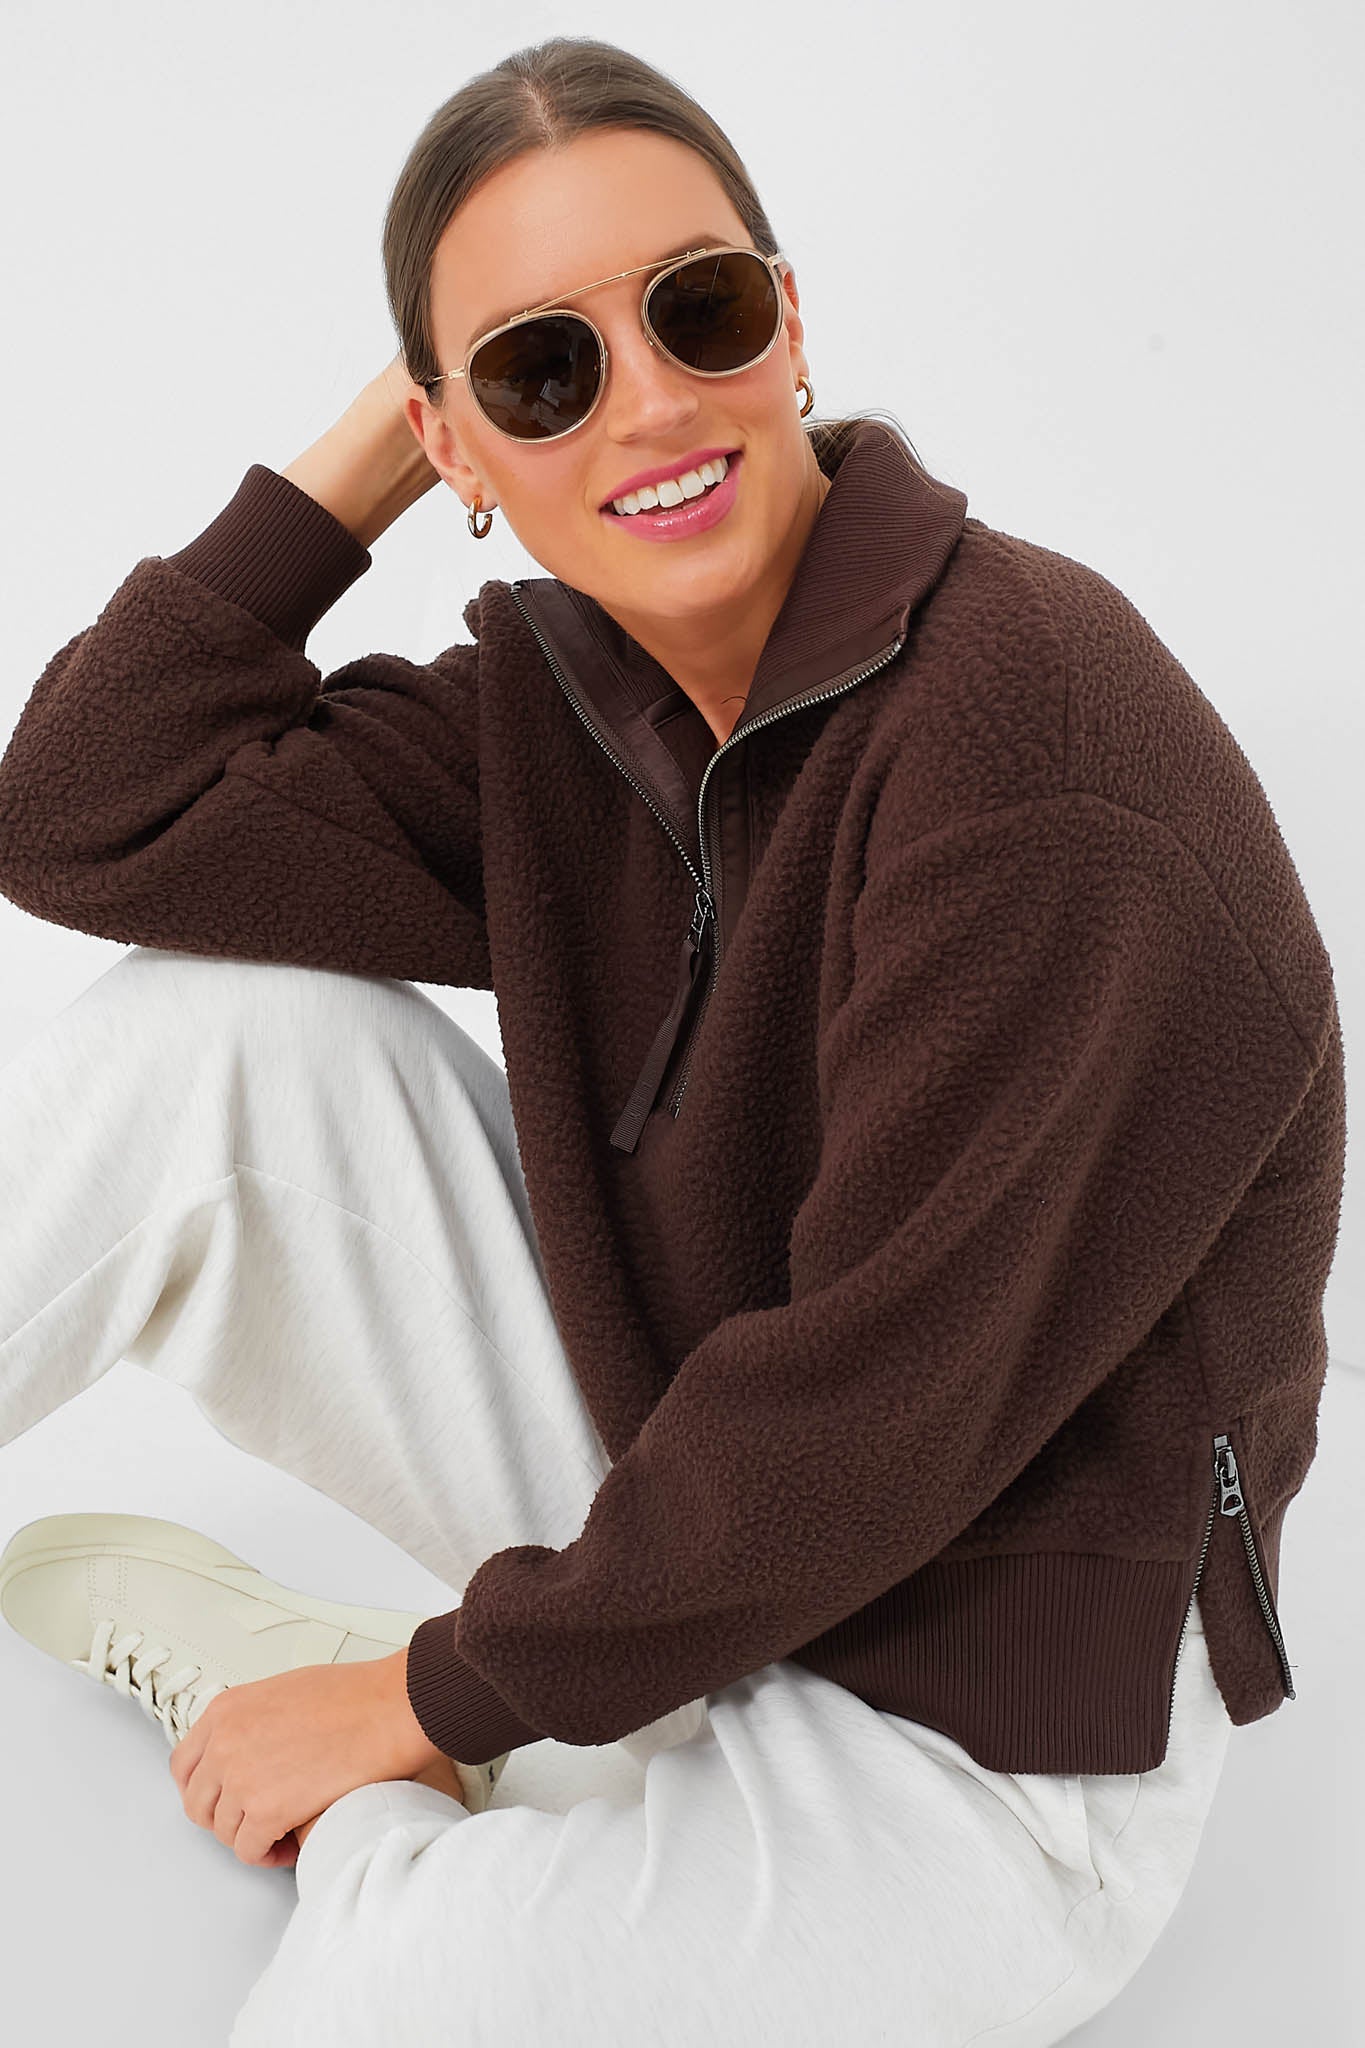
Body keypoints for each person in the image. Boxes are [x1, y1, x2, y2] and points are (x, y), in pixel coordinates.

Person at [0, 33, 1345, 2048]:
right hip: (695, 1505)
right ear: (455, 446)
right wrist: (367, 458)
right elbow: (83, 814)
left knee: (380, 2005)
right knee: (214, 1041)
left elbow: (870, 1422)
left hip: (992, 1733)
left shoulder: (1029, 756)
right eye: (542, 370)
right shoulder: (570, 708)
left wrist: (420, 1702)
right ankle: (550, 1727)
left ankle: (383, 1770)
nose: (644, 402)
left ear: (787, 325)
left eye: (695, 311)